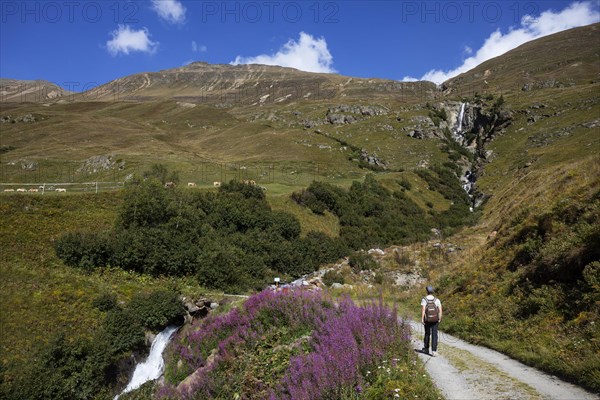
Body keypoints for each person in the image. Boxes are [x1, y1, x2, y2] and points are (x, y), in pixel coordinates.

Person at [421, 286, 442, 356]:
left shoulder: (424, 299)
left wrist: (422, 318)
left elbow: (423, 310)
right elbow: (440, 310)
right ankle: (434, 351)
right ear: (432, 292)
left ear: (427, 291)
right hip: (435, 320)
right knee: (434, 334)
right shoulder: (437, 300)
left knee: (427, 333)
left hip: (427, 319)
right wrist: (439, 318)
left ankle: (426, 349)